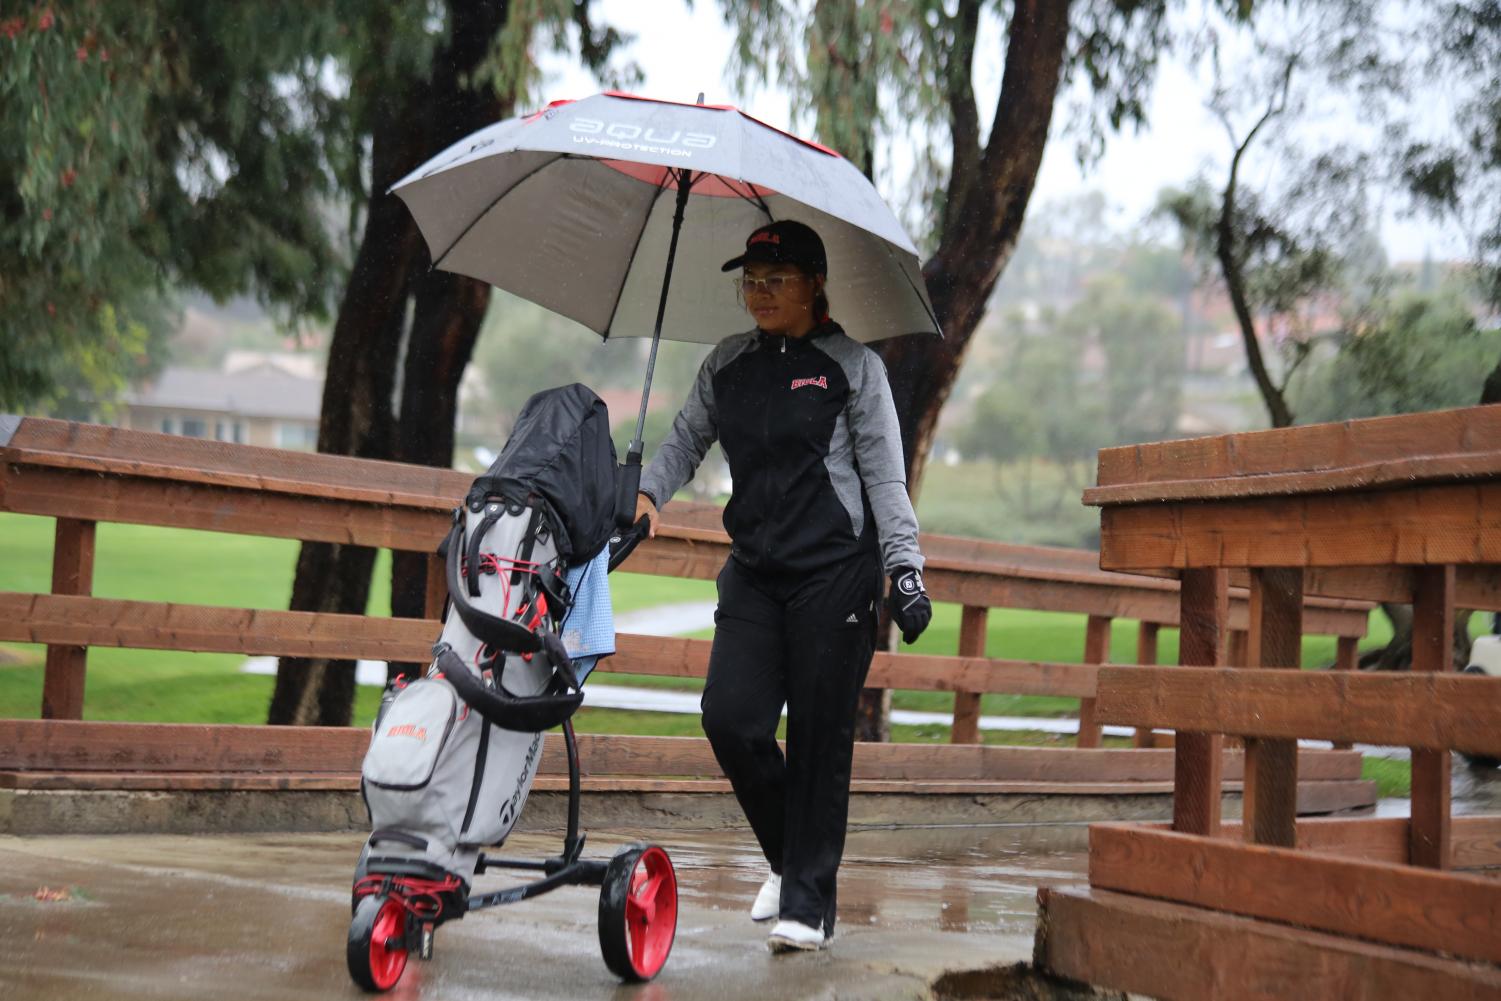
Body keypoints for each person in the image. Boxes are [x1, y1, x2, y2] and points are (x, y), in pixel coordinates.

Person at [635, 219, 932, 953]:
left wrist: (905, 567)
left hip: (835, 575)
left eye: (777, 280)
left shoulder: (852, 367)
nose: (759, 293)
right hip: (756, 574)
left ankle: (809, 901)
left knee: (818, 740)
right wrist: (642, 498)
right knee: (729, 719)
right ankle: (786, 856)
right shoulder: (727, 364)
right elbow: (683, 440)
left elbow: (884, 478)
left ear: (815, 284)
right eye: (751, 281)